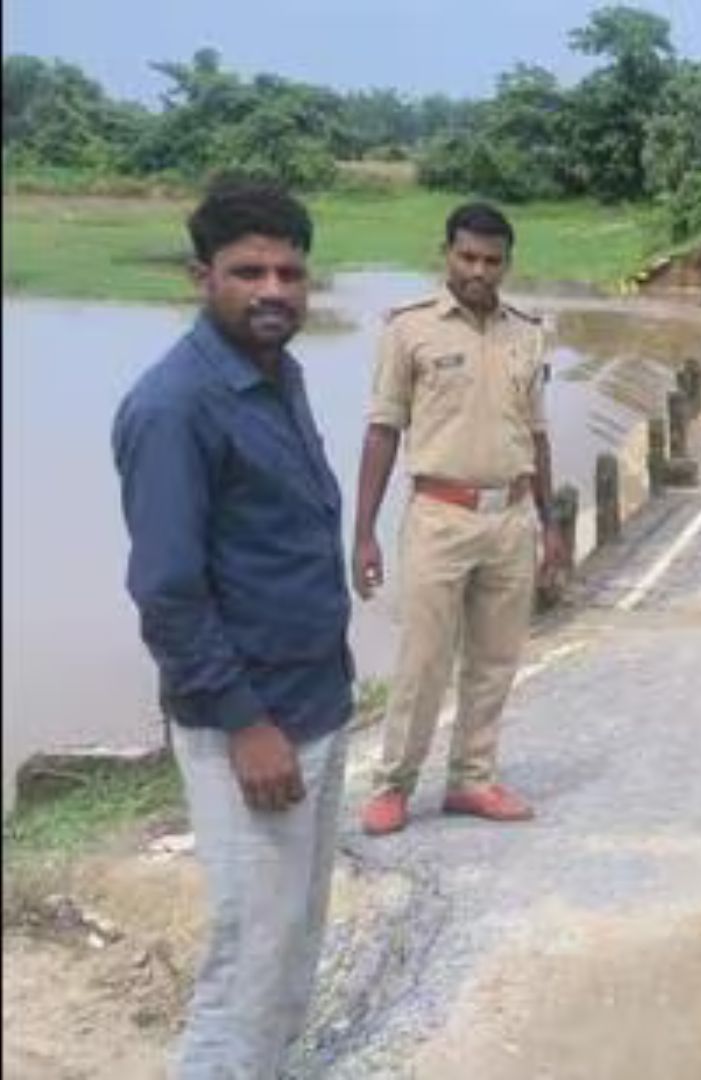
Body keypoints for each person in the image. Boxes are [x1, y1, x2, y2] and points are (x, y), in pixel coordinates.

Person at [113, 181, 352, 1077]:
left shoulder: (274, 373)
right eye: (248, 271)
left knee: (291, 942)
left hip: (313, 702)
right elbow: (168, 593)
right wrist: (247, 723)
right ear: (200, 276)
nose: (273, 290)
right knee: (246, 966)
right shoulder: (174, 408)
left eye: (290, 271)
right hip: (251, 727)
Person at [355, 201, 564, 836]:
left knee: (496, 660)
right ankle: (393, 784)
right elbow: (383, 430)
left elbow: (538, 436)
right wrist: (362, 531)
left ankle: (472, 781)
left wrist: (550, 526)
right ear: (446, 253)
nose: (478, 271)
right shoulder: (409, 330)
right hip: (439, 518)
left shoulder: (527, 333)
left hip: (510, 518)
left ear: (507, 264)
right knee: (423, 661)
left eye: (491, 261)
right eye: (467, 257)